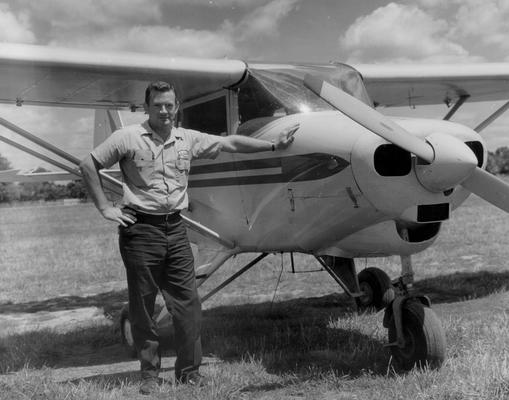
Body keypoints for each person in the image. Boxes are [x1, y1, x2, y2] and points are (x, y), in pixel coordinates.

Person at [79, 81, 297, 395]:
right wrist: (104, 207)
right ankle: (150, 375)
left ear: (176, 107)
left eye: (169, 105)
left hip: (177, 229)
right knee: (143, 307)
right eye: (158, 105)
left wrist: (274, 146)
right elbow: (88, 164)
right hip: (140, 230)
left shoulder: (188, 139)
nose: (164, 111)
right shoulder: (126, 137)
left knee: (188, 306)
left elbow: (231, 143)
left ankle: (189, 373)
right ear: (147, 108)